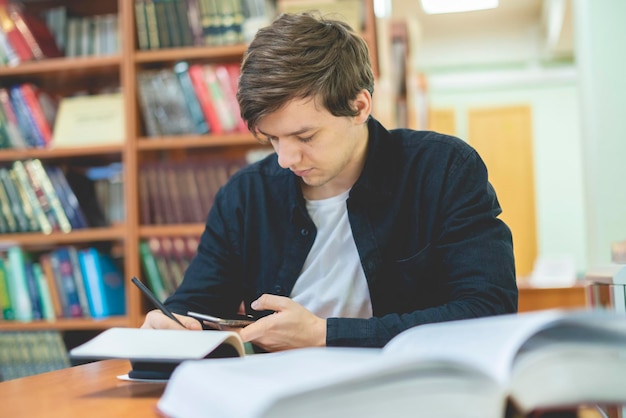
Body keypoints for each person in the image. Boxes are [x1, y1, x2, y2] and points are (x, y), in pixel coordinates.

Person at [141, 12, 518, 351]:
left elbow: (487, 309)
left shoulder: (443, 168)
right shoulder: (245, 195)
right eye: (272, 139)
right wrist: (171, 324)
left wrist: (325, 334)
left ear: (359, 107)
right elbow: (196, 304)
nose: (285, 160)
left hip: (409, 389)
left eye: (305, 137)